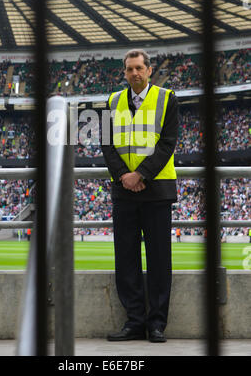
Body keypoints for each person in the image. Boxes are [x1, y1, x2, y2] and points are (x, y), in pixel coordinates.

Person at [101, 49, 179, 343]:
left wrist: (140, 175)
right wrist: (124, 176)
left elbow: (168, 143)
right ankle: (134, 321)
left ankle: (157, 323)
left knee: (159, 260)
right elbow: (106, 144)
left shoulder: (167, 98)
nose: (134, 73)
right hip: (124, 191)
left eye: (139, 68)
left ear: (149, 70)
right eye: (129, 69)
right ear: (124, 72)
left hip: (157, 191)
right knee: (126, 259)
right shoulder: (112, 101)